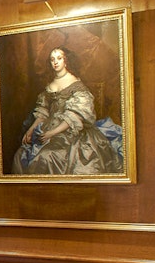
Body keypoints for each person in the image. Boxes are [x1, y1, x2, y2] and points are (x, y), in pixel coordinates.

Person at [10, 47, 121, 176]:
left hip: (70, 133)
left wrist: (51, 133)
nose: (55, 62)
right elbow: (43, 112)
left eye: (59, 58)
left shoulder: (76, 86)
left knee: (47, 156)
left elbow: (74, 117)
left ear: (66, 60)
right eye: (52, 59)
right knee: (20, 154)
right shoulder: (49, 85)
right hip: (47, 129)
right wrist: (31, 130)